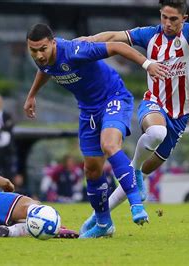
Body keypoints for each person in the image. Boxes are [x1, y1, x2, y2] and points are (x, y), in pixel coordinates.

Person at [23, 23, 165, 238]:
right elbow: (45, 70)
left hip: (113, 97)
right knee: (91, 169)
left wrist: (147, 64)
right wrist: (31, 95)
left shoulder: (75, 50)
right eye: (33, 51)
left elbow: (117, 46)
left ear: (53, 43)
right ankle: (103, 223)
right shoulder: (44, 60)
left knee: (109, 144)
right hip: (88, 109)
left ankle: (136, 203)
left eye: (43, 49)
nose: (39, 55)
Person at [77, 0, 189, 225]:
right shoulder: (150, 35)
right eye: (164, 17)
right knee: (157, 132)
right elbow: (115, 37)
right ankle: (131, 178)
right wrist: (88, 41)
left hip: (181, 116)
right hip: (154, 103)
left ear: (184, 19)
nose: (167, 23)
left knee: (146, 168)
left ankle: (98, 218)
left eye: (173, 19)